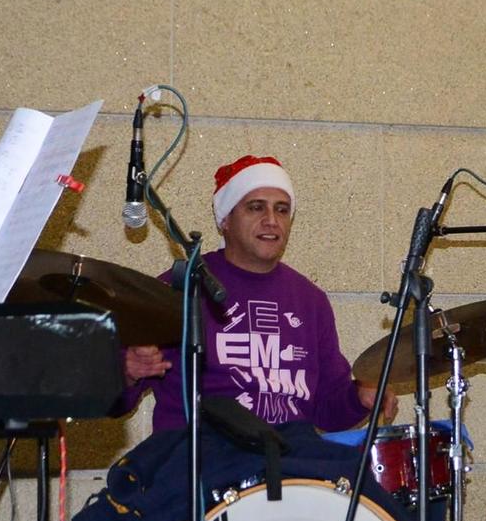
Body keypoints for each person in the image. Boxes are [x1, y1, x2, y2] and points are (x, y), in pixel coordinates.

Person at [121, 154, 394, 431]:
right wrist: (128, 372)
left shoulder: (311, 300)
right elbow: (114, 401)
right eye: (256, 208)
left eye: (282, 210)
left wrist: (359, 398)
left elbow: (326, 409)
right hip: (203, 458)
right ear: (225, 220)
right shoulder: (176, 289)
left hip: (290, 459)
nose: (271, 220)